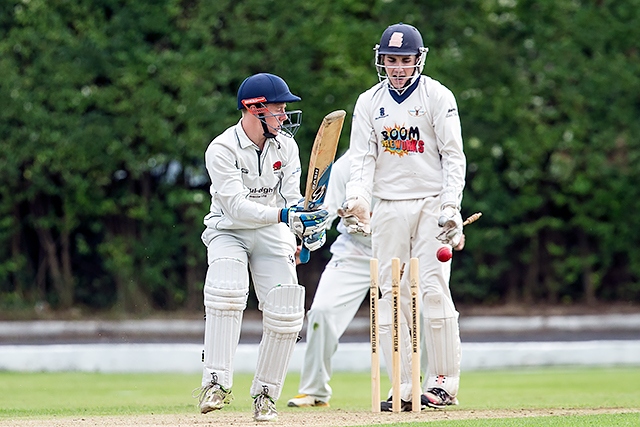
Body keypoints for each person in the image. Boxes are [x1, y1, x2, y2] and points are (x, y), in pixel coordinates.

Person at [339, 23, 467, 411]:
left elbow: (453, 156)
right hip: (389, 205)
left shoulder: (437, 96)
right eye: (391, 60)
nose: (397, 67)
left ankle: (443, 382)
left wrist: (450, 206)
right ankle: (403, 386)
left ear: (418, 60)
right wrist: (357, 200)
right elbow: (361, 159)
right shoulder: (368, 102)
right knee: (390, 294)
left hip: (430, 201)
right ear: (381, 60)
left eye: (404, 60)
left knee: (430, 288)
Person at [193, 72, 329, 422]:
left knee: (286, 309)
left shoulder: (287, 146)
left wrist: (306, 228)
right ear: (254, 109)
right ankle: (215, 383)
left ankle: (266, 394)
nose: (284, 117)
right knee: (227, 289)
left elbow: (294, 199)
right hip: (229, 230)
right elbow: (236, 207)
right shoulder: (221, 149)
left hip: (272, 232)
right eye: (279, 110)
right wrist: (285, 214)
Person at [287, 149, 466, 409]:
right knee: (322, 312)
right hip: (357, 249)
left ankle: (431, 389)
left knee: (427, 311)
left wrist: (451, 228)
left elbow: (435, 200)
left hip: (408, 249)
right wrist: (304, 243)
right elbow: (323, 218)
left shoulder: (414, 157)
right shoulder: (346, 166)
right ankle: (313, 390)